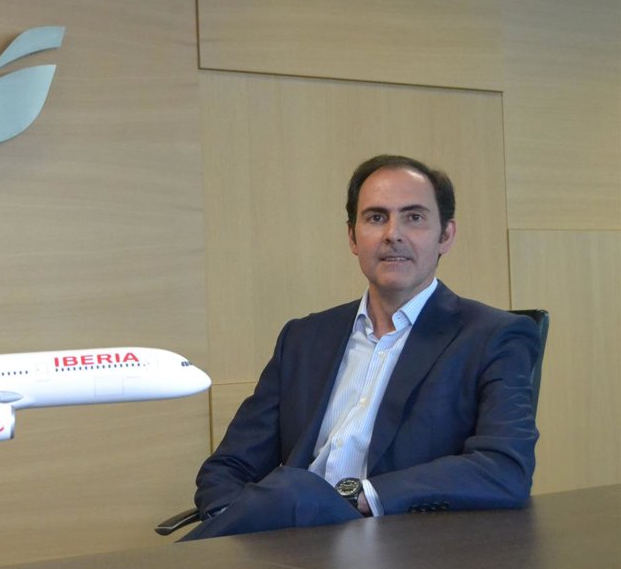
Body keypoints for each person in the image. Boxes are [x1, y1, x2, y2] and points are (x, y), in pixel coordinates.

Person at [183, 154, 540, 541]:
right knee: (286, 496)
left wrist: (363, 496)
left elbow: (504, 469)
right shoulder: (303, 338)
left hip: (399, 547)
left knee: (297, 489)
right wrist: (232, 523)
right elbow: (228, 467)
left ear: (446, 235)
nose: (393, 234)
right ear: (353, 237)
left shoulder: (493, 336)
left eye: (414, 217)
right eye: (376, 217)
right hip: (284, 545)